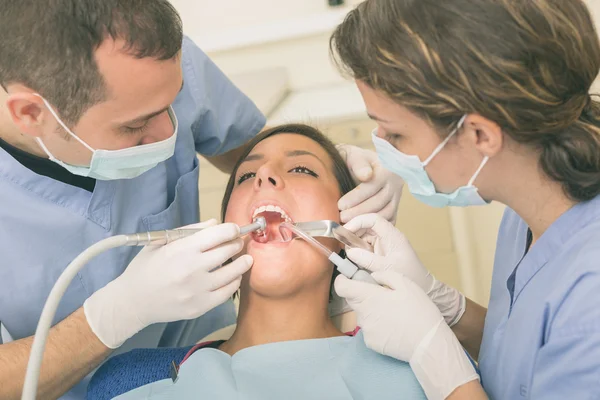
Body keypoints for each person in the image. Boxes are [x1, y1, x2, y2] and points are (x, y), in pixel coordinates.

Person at [0, 2, 403, 399]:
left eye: (172, 104)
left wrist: (346, 165)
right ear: (31, 113)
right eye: (135, 125)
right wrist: (112, 316)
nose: (170, 132)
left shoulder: (153, 61)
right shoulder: (125, 383)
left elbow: (257, 152)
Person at [329, 0, 600, 399]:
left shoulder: (591, 300)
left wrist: (436, 359)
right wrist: (443, 305)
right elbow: (527, 360)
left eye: (395, 134)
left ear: (480, 136)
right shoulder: (528, 211)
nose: (384, 148)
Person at [86, 124, 428, 399]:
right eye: (246, 176)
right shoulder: (128, 382)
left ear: (349, 227)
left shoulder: (420, 366)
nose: (264, 174)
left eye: (301, 168)